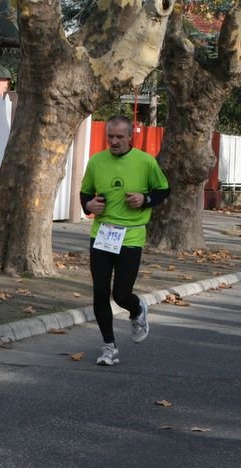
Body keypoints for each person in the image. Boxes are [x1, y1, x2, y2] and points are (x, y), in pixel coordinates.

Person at [80, 115, 170, 366]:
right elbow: (85, 192)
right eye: (110, 136)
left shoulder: (145, 161)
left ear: (131, 137)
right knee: (100, 293)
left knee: (120, 294)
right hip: (102, 233)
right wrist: (88, 204)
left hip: (131, 234)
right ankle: (109, 347)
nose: (114, 141)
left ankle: (137, 307)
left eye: (120, 137)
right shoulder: (97, 162)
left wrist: (145, 199)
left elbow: (163, 189)